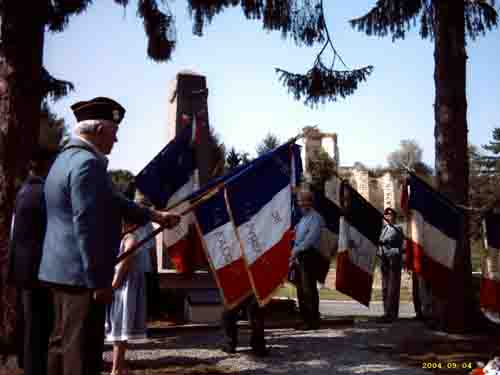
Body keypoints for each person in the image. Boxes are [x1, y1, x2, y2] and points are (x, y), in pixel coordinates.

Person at [38, 97, 180, 375]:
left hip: (58, 273)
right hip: (82, 279)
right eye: (114, 134)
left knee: (59, 345)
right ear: (100, 130)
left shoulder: (65, 160)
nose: (116, 142)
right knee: (82, 355)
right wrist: (97, 281)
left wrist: (155, 216)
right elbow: (86, 227)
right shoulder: (88, 165)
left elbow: (113, 200)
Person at [7, 147, 58, 375]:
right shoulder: (44, 192)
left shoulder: (24, 190)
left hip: (22, 268)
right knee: (39, 326)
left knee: (28, 323)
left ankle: (27, 364)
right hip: (39, 268)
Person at [105, 219, 147, 375]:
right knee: (117, 328)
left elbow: (125, 261)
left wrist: (114, 283)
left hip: (125, 285)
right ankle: (117, 367)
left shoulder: (131, 238)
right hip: (120, 284)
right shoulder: (122, 237)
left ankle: (116, 368)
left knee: (120, 328)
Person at [290, 190, 325, 330]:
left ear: (311, 202)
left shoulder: (316, 218)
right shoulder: (302, 219)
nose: (301, 204)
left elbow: (310, 240)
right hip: (300, 256)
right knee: (300, 289)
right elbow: (296, 239)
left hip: (309, 256)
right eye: (299, 201)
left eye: (305, 201)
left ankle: (313, 320)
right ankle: (304, 319)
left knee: (308, 289)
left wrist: (295, 251)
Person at [134, 190, 161, 322]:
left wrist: (154, 266)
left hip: (144, 266)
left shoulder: (148, 224)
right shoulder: (128, 221)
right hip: (133, 266)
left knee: (142, 297)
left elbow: (152, 247)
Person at [377, 207, 404, 323]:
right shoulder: (384, 229)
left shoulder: (397, 228)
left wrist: (381, 243)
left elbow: (388, 240)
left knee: (392, 288)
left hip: (393, 259)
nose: (388, 217)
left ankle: (392, 313)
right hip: (384, 260)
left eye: (390, 215)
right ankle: (386, 312)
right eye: (386, 215)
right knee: (385, 287)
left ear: (394, 217)